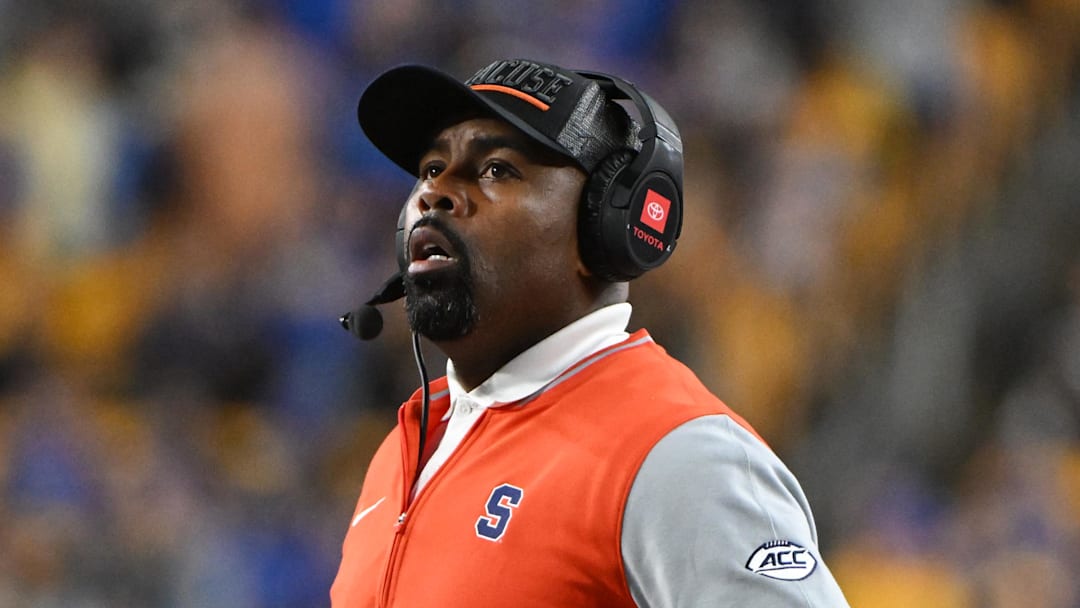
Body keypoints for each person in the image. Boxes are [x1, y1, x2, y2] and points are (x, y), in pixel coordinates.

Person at [331, 58, 850, 607]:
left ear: (607, 221)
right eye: (432, 168)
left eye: (496, 170)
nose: (435, 194)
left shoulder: (678, 456)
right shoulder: (404, 451)